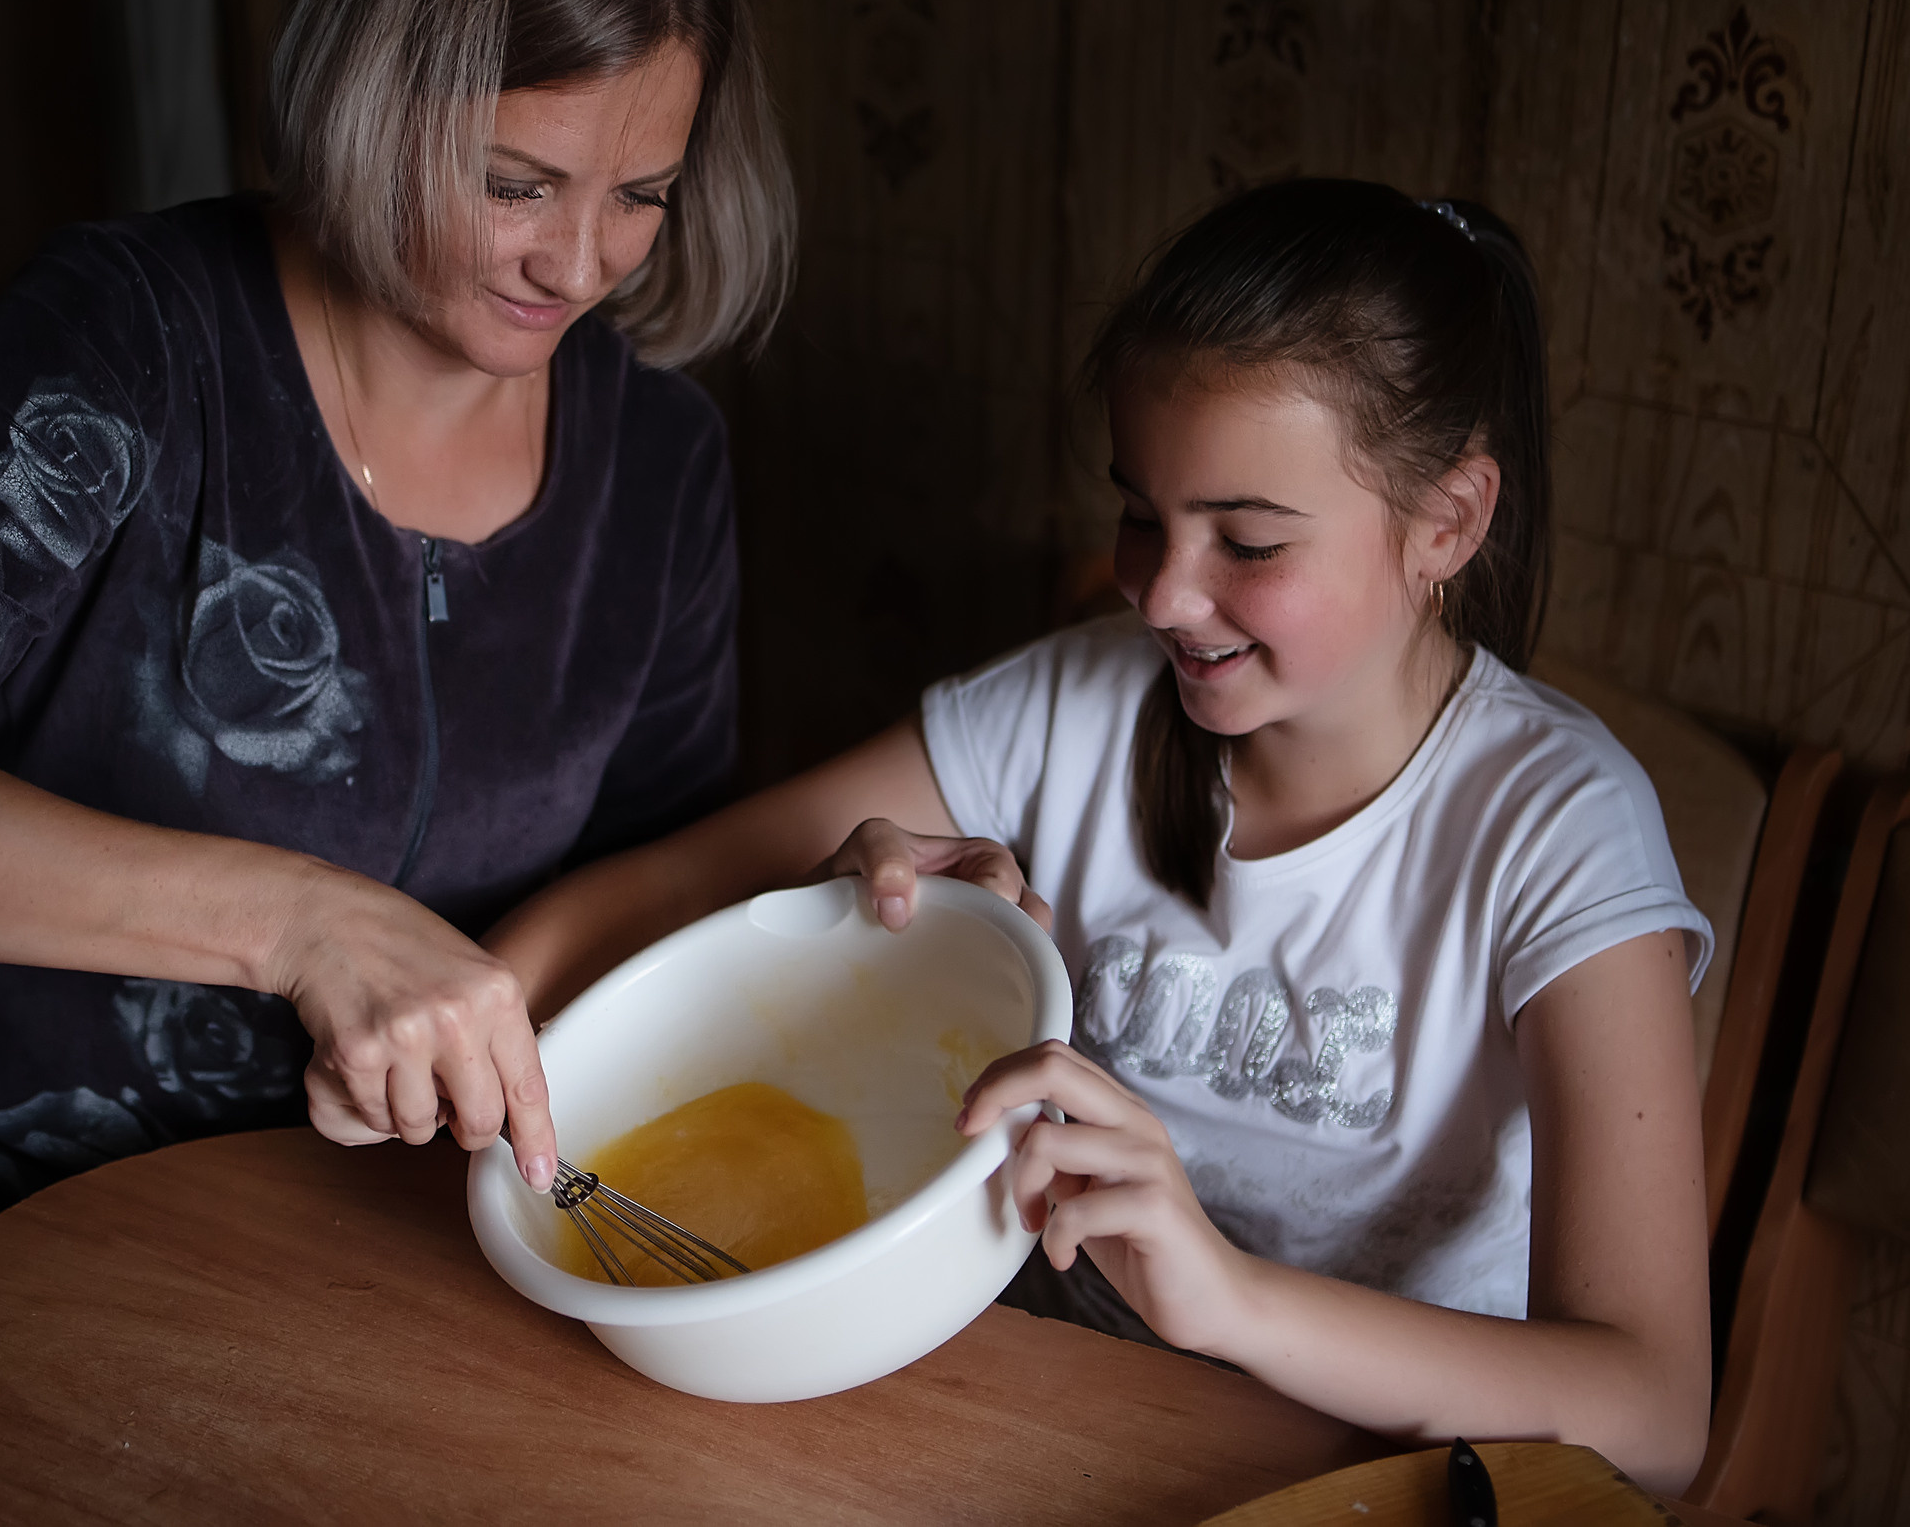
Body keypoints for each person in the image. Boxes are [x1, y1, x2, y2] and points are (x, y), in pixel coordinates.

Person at [0, 0, 792, 1341]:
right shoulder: (133, 338)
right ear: (371, 96)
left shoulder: (661, 464)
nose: (579, 263)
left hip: (417, 1257)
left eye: (641, 194)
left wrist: (830, 897)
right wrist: (301, 924)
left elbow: (653, 892)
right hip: (11, 1224)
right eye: (513, 182)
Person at [487, 179, 1713, 1490]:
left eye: (1246, 539)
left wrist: (1229, 1297)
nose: (1165, 593)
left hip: (1365, 1478)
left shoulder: (1560, 827)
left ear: (1448, 523)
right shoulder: (1074, 704)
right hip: (1032, 1422)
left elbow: (1654, 1412)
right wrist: (828, 906)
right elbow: (673, 885)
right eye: (1143, 514)